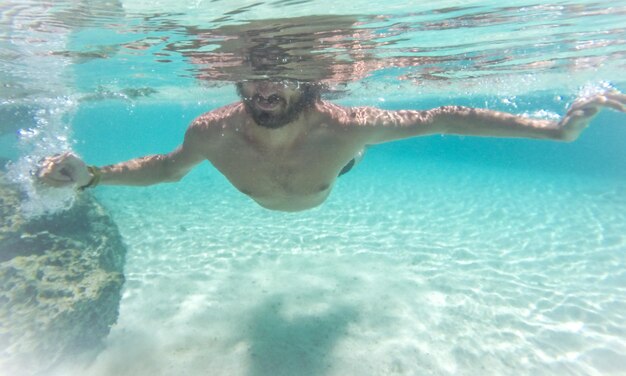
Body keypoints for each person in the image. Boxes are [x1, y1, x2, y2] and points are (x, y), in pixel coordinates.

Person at [37, 79, 626, 212]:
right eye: (252, 78)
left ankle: (350, 166)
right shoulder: (211, 131)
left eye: (282, 75)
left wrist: (555, 129)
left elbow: (441, 117)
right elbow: (167, 168)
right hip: (300, 177)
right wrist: (93, 176)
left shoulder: (347, 125)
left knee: (352, 154)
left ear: (313, 79)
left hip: (332, 166)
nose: (265, 90)